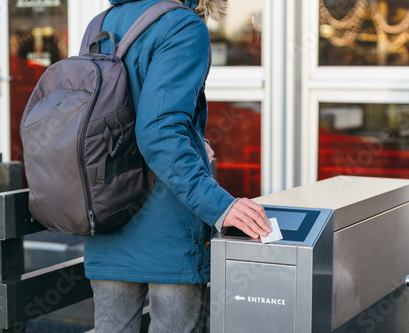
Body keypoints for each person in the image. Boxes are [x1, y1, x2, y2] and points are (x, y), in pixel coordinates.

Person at [82, 1, 272, 332]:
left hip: (105, 215)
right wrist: (220, 207)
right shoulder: (182, 25)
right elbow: (157, 131)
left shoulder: (101, 23)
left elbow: (110, 119)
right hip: (168, 226)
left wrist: (195, 144)